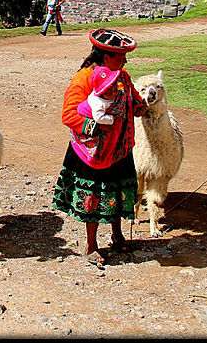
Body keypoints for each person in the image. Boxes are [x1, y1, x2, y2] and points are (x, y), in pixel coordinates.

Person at [52, 29, 149, 266]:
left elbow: (133, 99)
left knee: (117, 192)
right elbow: (69, 114)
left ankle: (117, 235)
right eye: (120, 56)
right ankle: (91, 244)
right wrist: (96, 127)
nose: (125, 60)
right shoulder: (84, 78)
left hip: (119, 149)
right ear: (106, 57)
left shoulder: (122, 77)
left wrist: (138, 107)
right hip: (93, 152)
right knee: (93, 197)